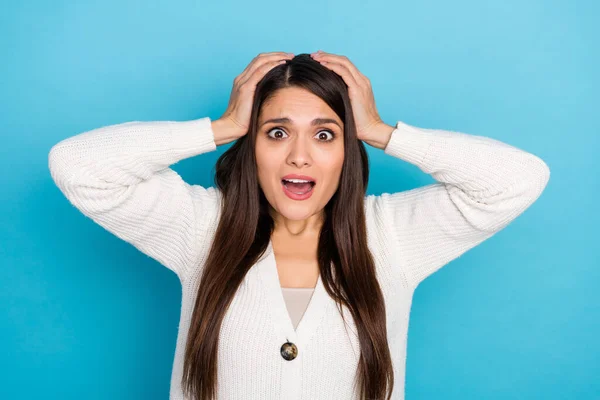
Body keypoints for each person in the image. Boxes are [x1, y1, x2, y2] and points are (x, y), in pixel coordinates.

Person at [48, 51, 550, 400]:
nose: (299, 156)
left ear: (346, 151)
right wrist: (221, 127)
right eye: (277, 132)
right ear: (253, 145)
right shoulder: (202, 227)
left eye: (326, 134)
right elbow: (78, 167)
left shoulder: (392, 236)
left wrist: (379, 130)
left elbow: (518, 179)